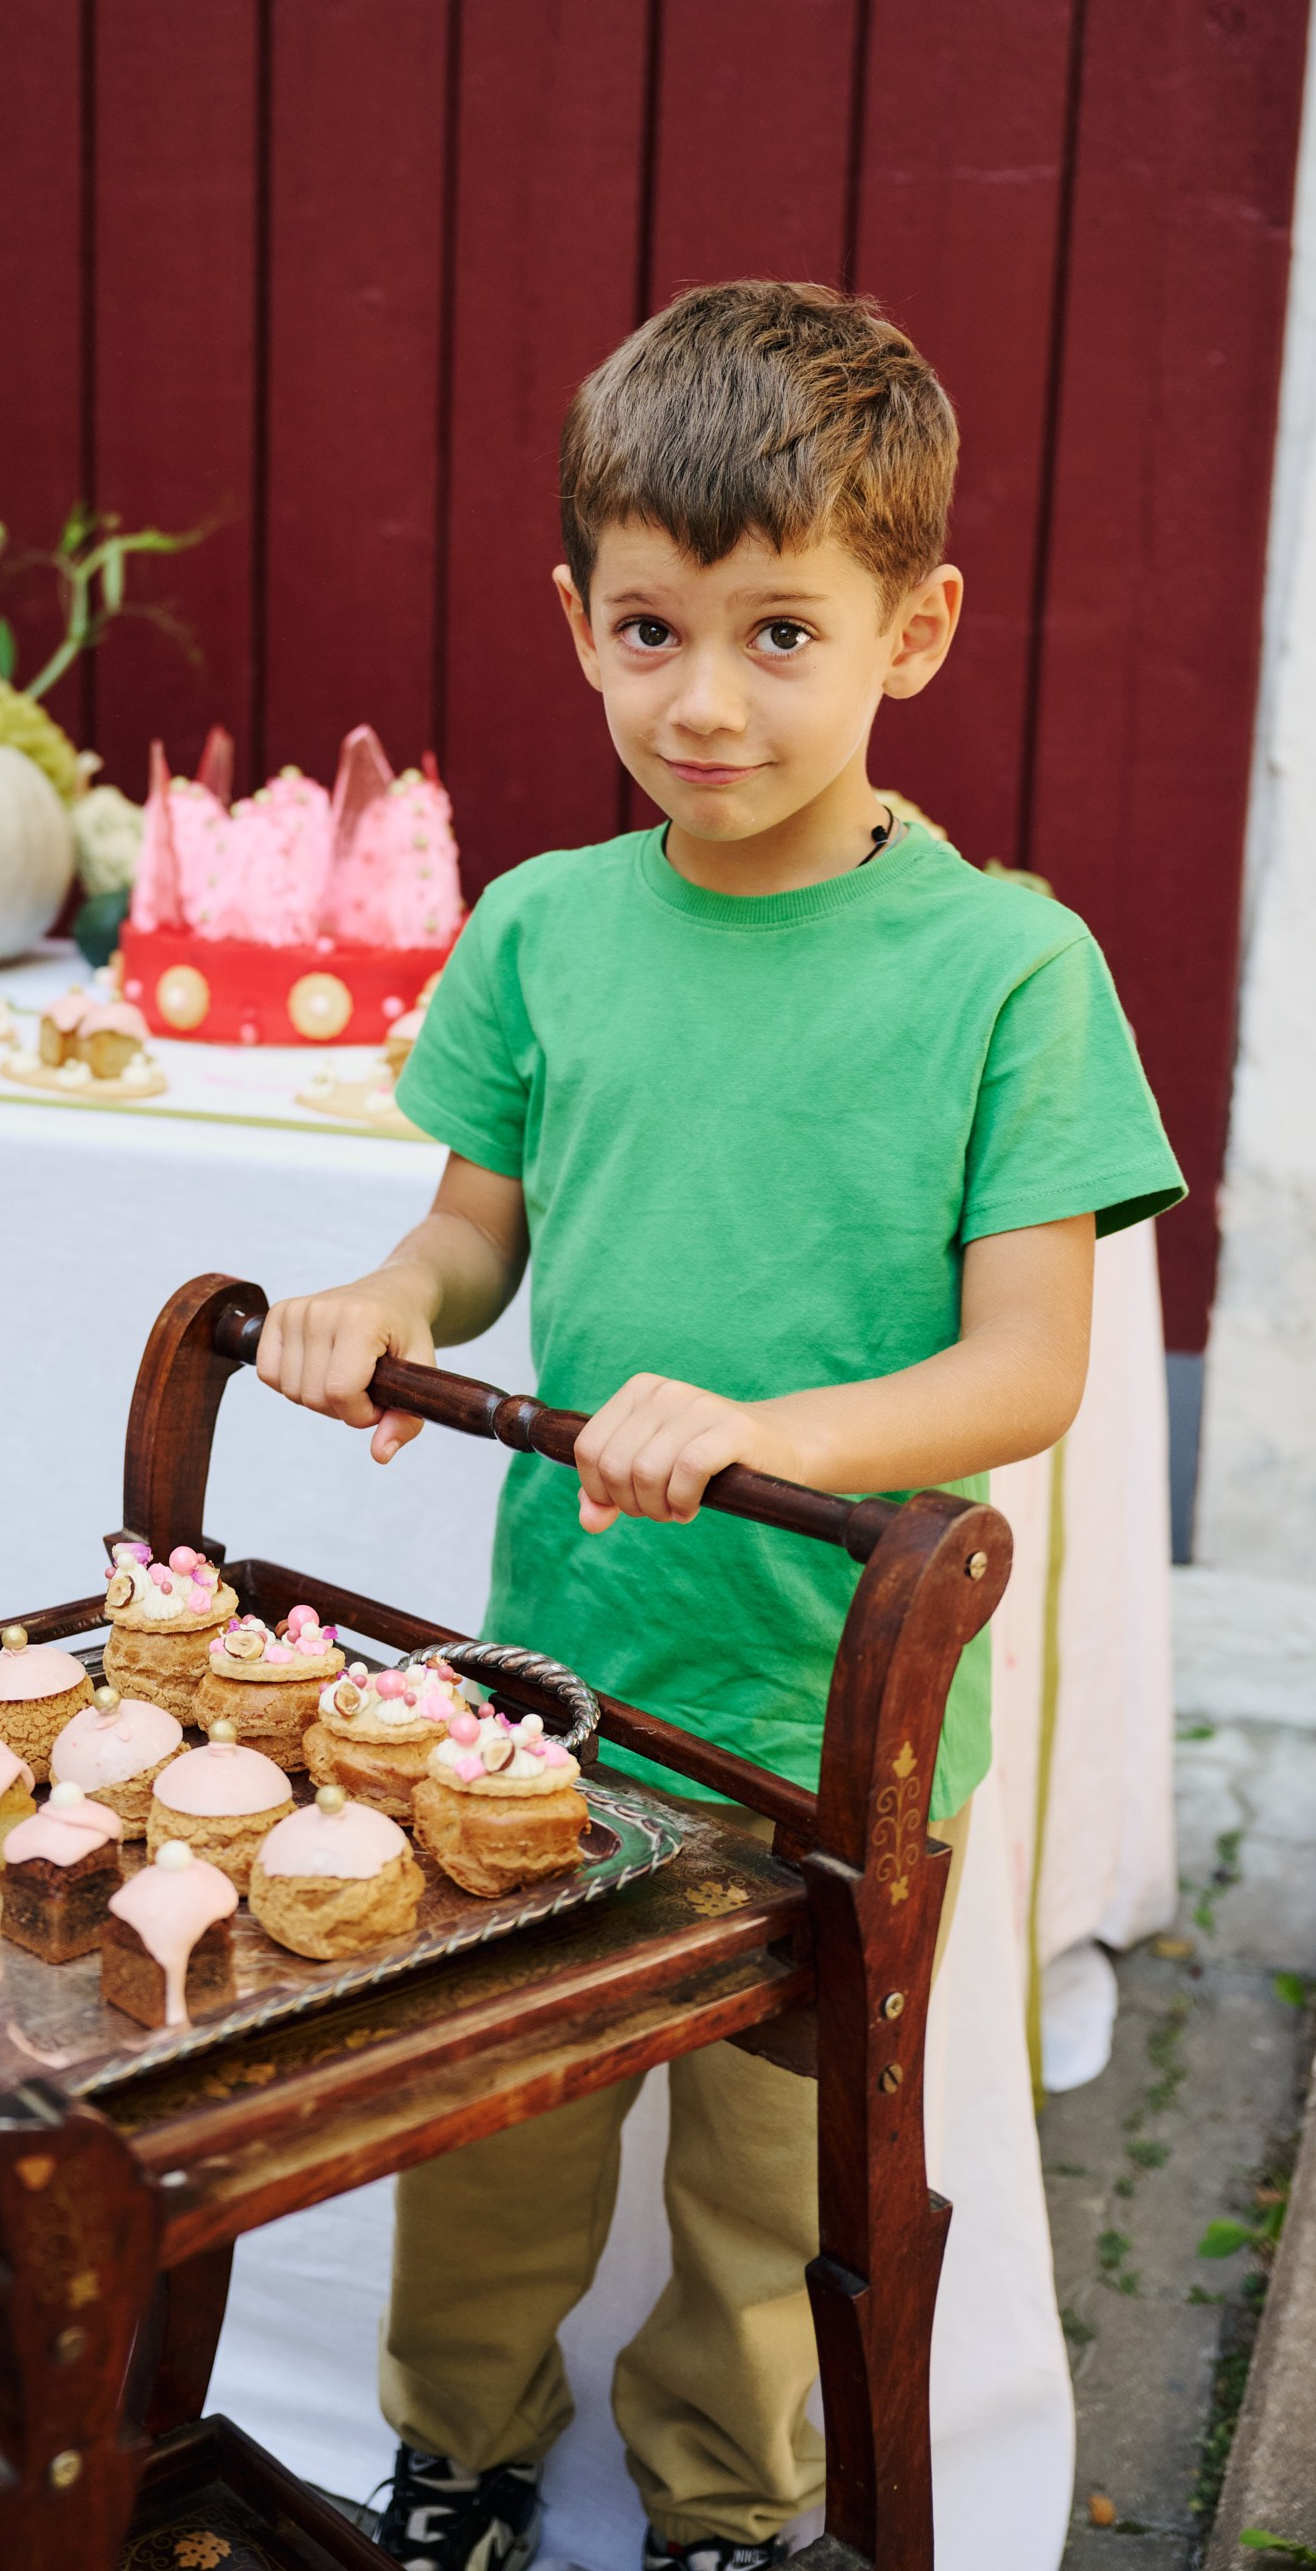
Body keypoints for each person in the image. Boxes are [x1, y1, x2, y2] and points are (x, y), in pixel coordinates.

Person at [256, 281, 1183, 2571]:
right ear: (575, 621)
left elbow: (1028, 1374)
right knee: (493, 2121)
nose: (704, 698)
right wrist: (389, 1298)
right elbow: (474, 1235)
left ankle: (727, 2504)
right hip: (548, 1686)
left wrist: (767, 1422)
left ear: (917, 631)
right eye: (651, 629)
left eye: (782, 635)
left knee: (769, 2184)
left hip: (822, 1704)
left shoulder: (1006, 973)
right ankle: (457, 2450)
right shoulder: (548, 931)